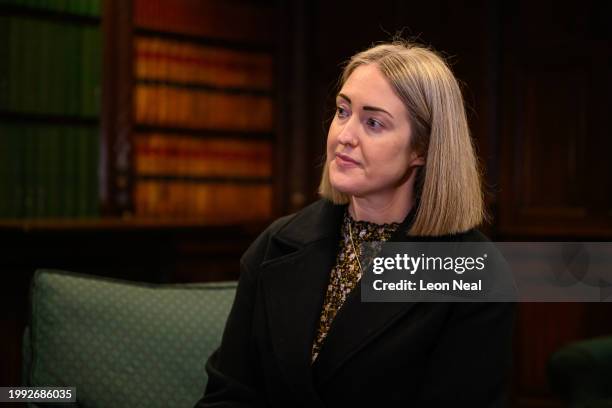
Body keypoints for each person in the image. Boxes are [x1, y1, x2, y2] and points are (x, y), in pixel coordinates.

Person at [195, 40, 515, 407]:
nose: (344, 136)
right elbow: (229, 395)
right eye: (342, 111)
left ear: (422, 149)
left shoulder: (476, 272)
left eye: (373, 122)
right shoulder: (275, 244)